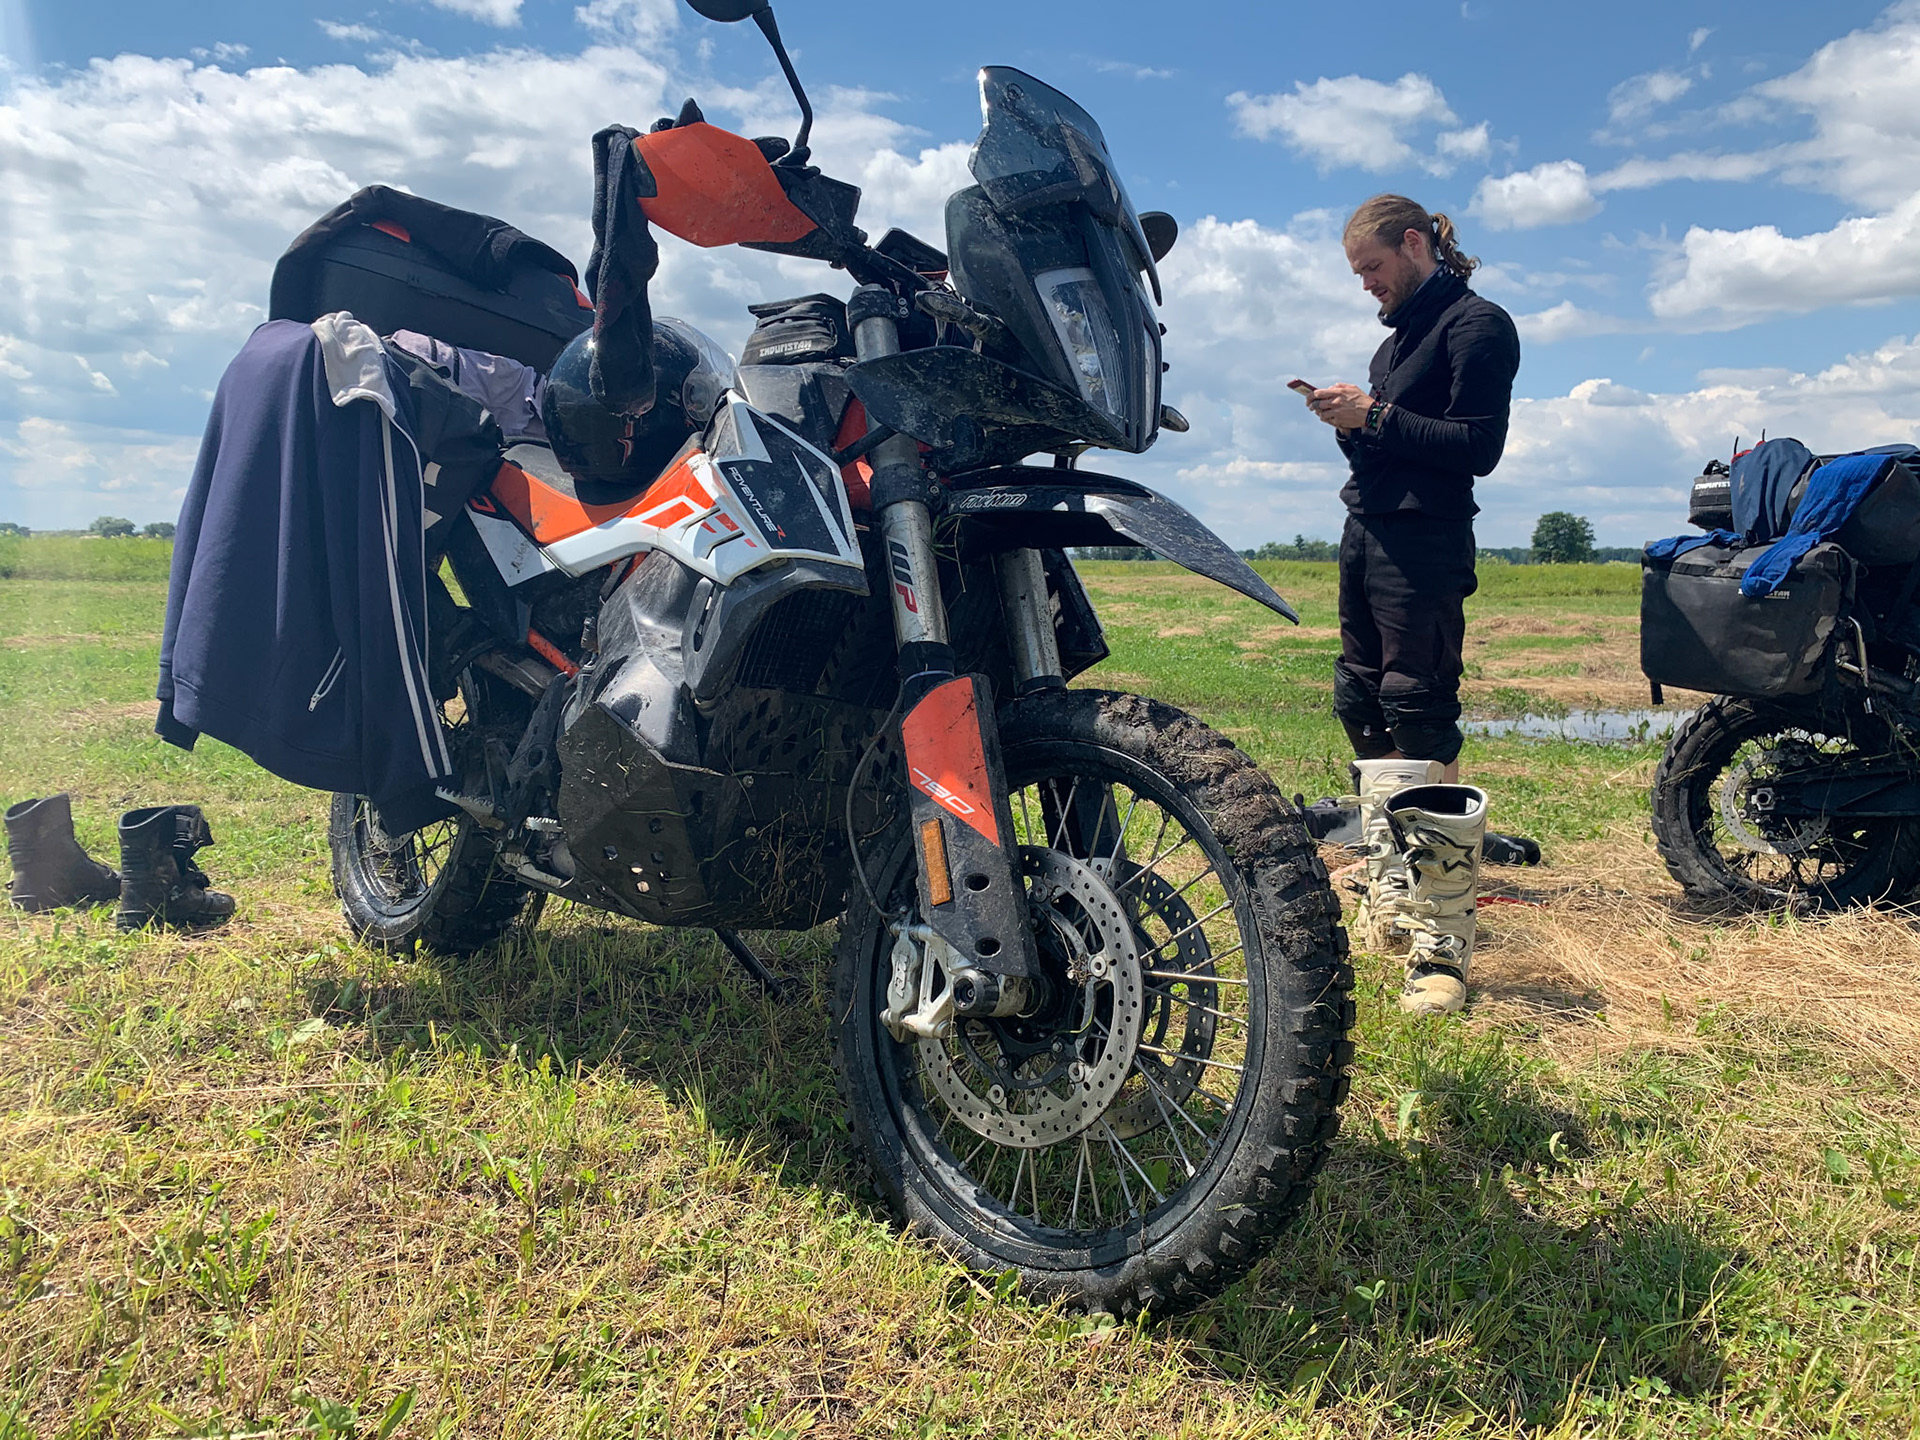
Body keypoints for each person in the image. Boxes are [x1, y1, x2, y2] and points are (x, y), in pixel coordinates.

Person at [1305, 194, 1520, 1016]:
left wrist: (1376, 414)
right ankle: (1394, 882)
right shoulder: (1393, 344)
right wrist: (1350, 421)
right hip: (1367, 529)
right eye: (1357, 273)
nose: (1366, 284)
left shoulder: (1478, 326)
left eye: (1372, 267)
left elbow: (1478, 446)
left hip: (1426, 539)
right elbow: (1388, 443)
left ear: (1413, 244)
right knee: (1361, 699)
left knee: (1420, 712)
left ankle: (1443, 945)